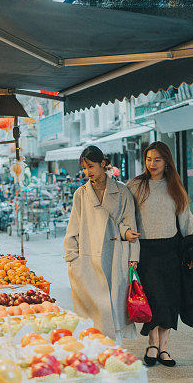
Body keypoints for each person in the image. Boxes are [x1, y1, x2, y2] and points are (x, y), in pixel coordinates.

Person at [127, 142, 193, 367]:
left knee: (169, 301)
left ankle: (164, 348)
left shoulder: (175, 187)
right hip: (145, 252)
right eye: (149, 159)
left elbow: (187, 221)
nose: (152, 164)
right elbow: (124, 215)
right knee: (153, 300)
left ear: (167, 161)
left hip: (171, 251)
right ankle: (152, 344)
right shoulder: (135, 185)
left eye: (157, 159)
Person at [63, 146, 140, 342]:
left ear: (103, 164)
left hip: (115, 255)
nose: (88, 172)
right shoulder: (81, 193)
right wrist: (72, 256)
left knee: (113, 309)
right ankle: (98, 352)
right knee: (93, 314)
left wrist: (133, 258)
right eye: (84, 168)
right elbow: (73, 225)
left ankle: (115, 352)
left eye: (90, 166)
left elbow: (131, 227)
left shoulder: (122, 191)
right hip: (88, 257)